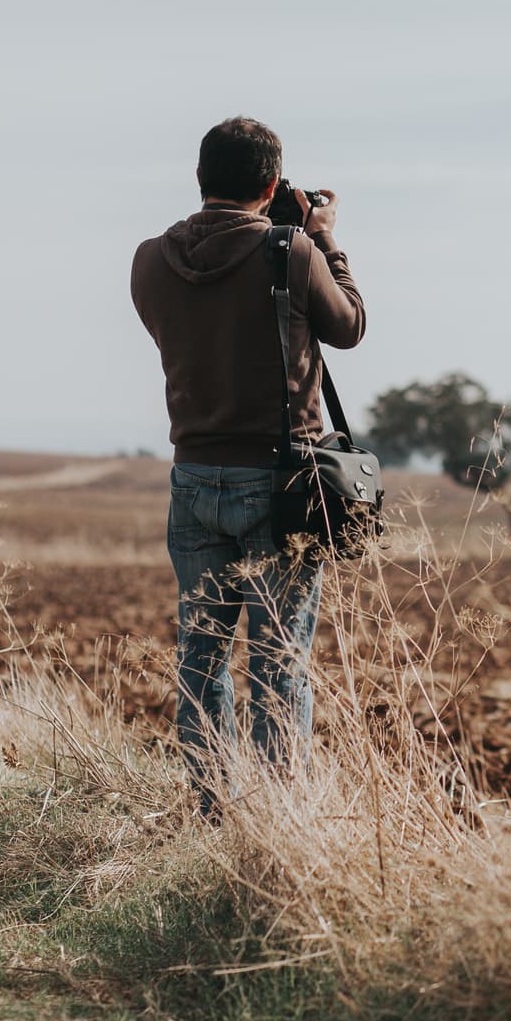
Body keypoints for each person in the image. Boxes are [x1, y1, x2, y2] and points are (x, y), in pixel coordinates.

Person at [130, 117, 367, 817]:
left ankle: (212, 812)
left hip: (192, 479)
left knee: (201, 662)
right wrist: (323, 237)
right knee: (277, 664)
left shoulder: (148, 258)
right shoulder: (289, 251)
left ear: (200, 179)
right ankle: (280, 823)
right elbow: (349, 325)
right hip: (278, 483)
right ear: (271, 184)